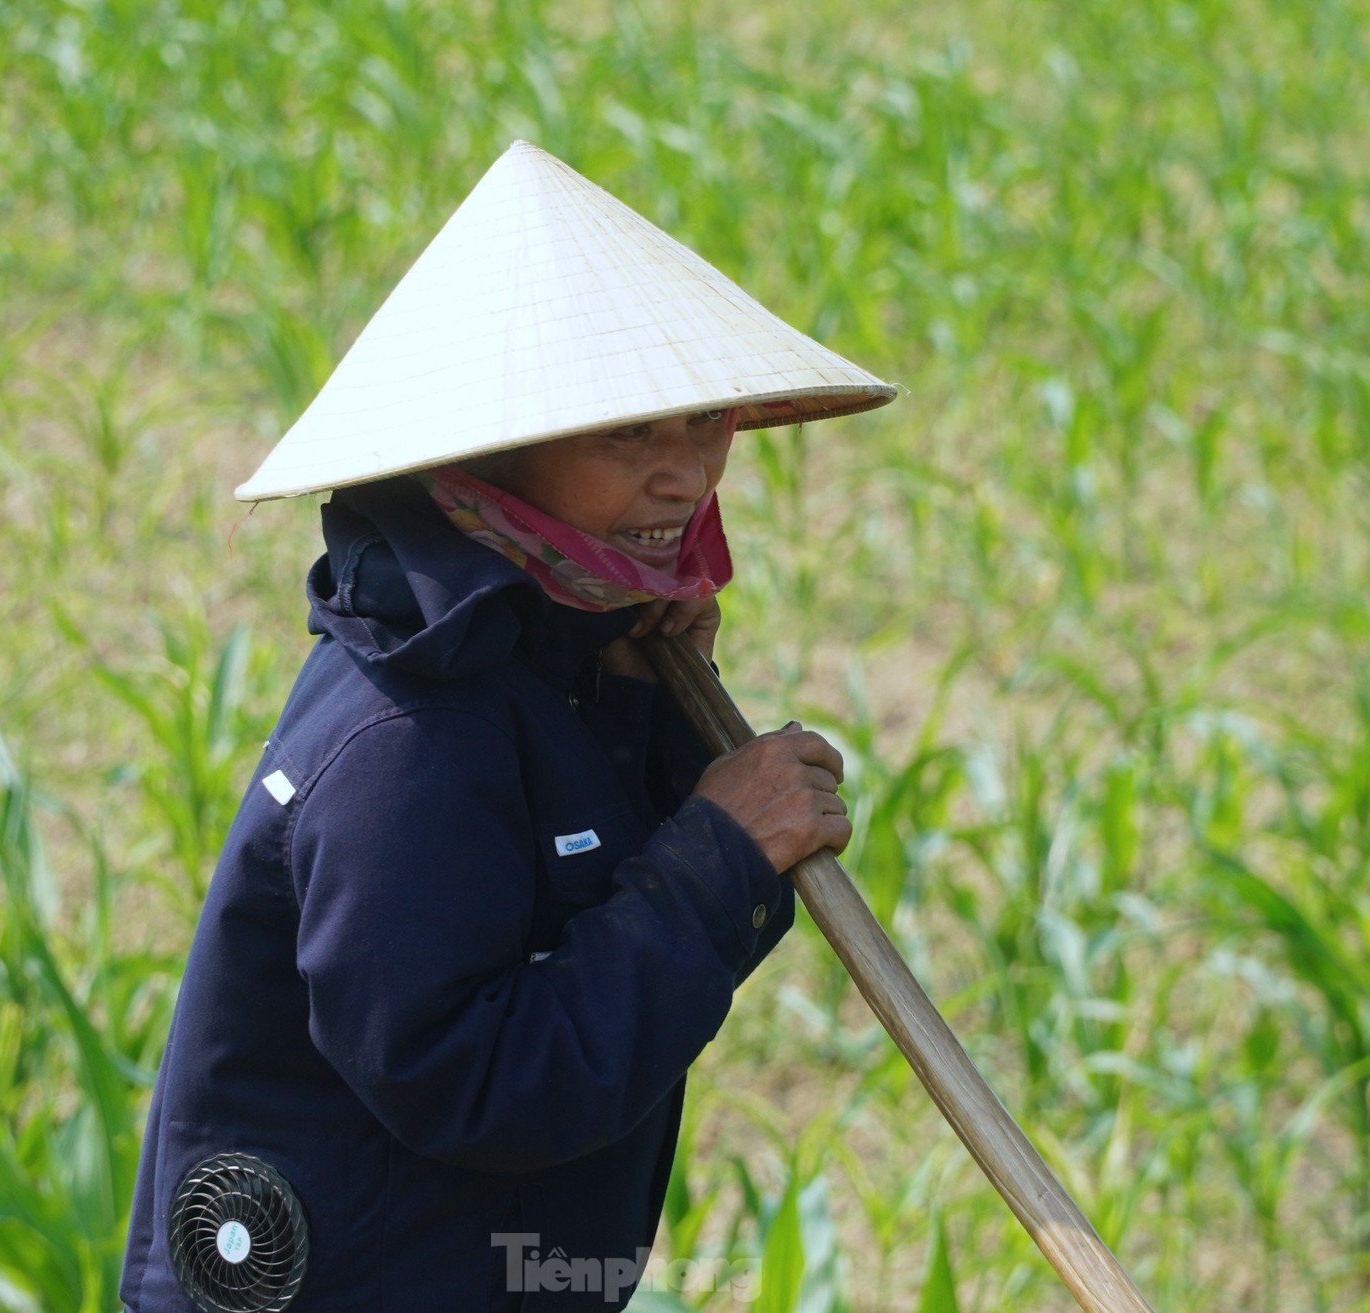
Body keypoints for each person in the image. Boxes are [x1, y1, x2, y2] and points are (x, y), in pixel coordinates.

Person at [120, 141, 896, 1312]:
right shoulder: (406, 735)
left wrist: (646, 701)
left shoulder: (552, 654)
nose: (686, 475)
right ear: (492, 451)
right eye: (626, 434)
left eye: (703, 420)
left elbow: (572, 889)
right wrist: (719, 856)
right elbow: (478, 1081)